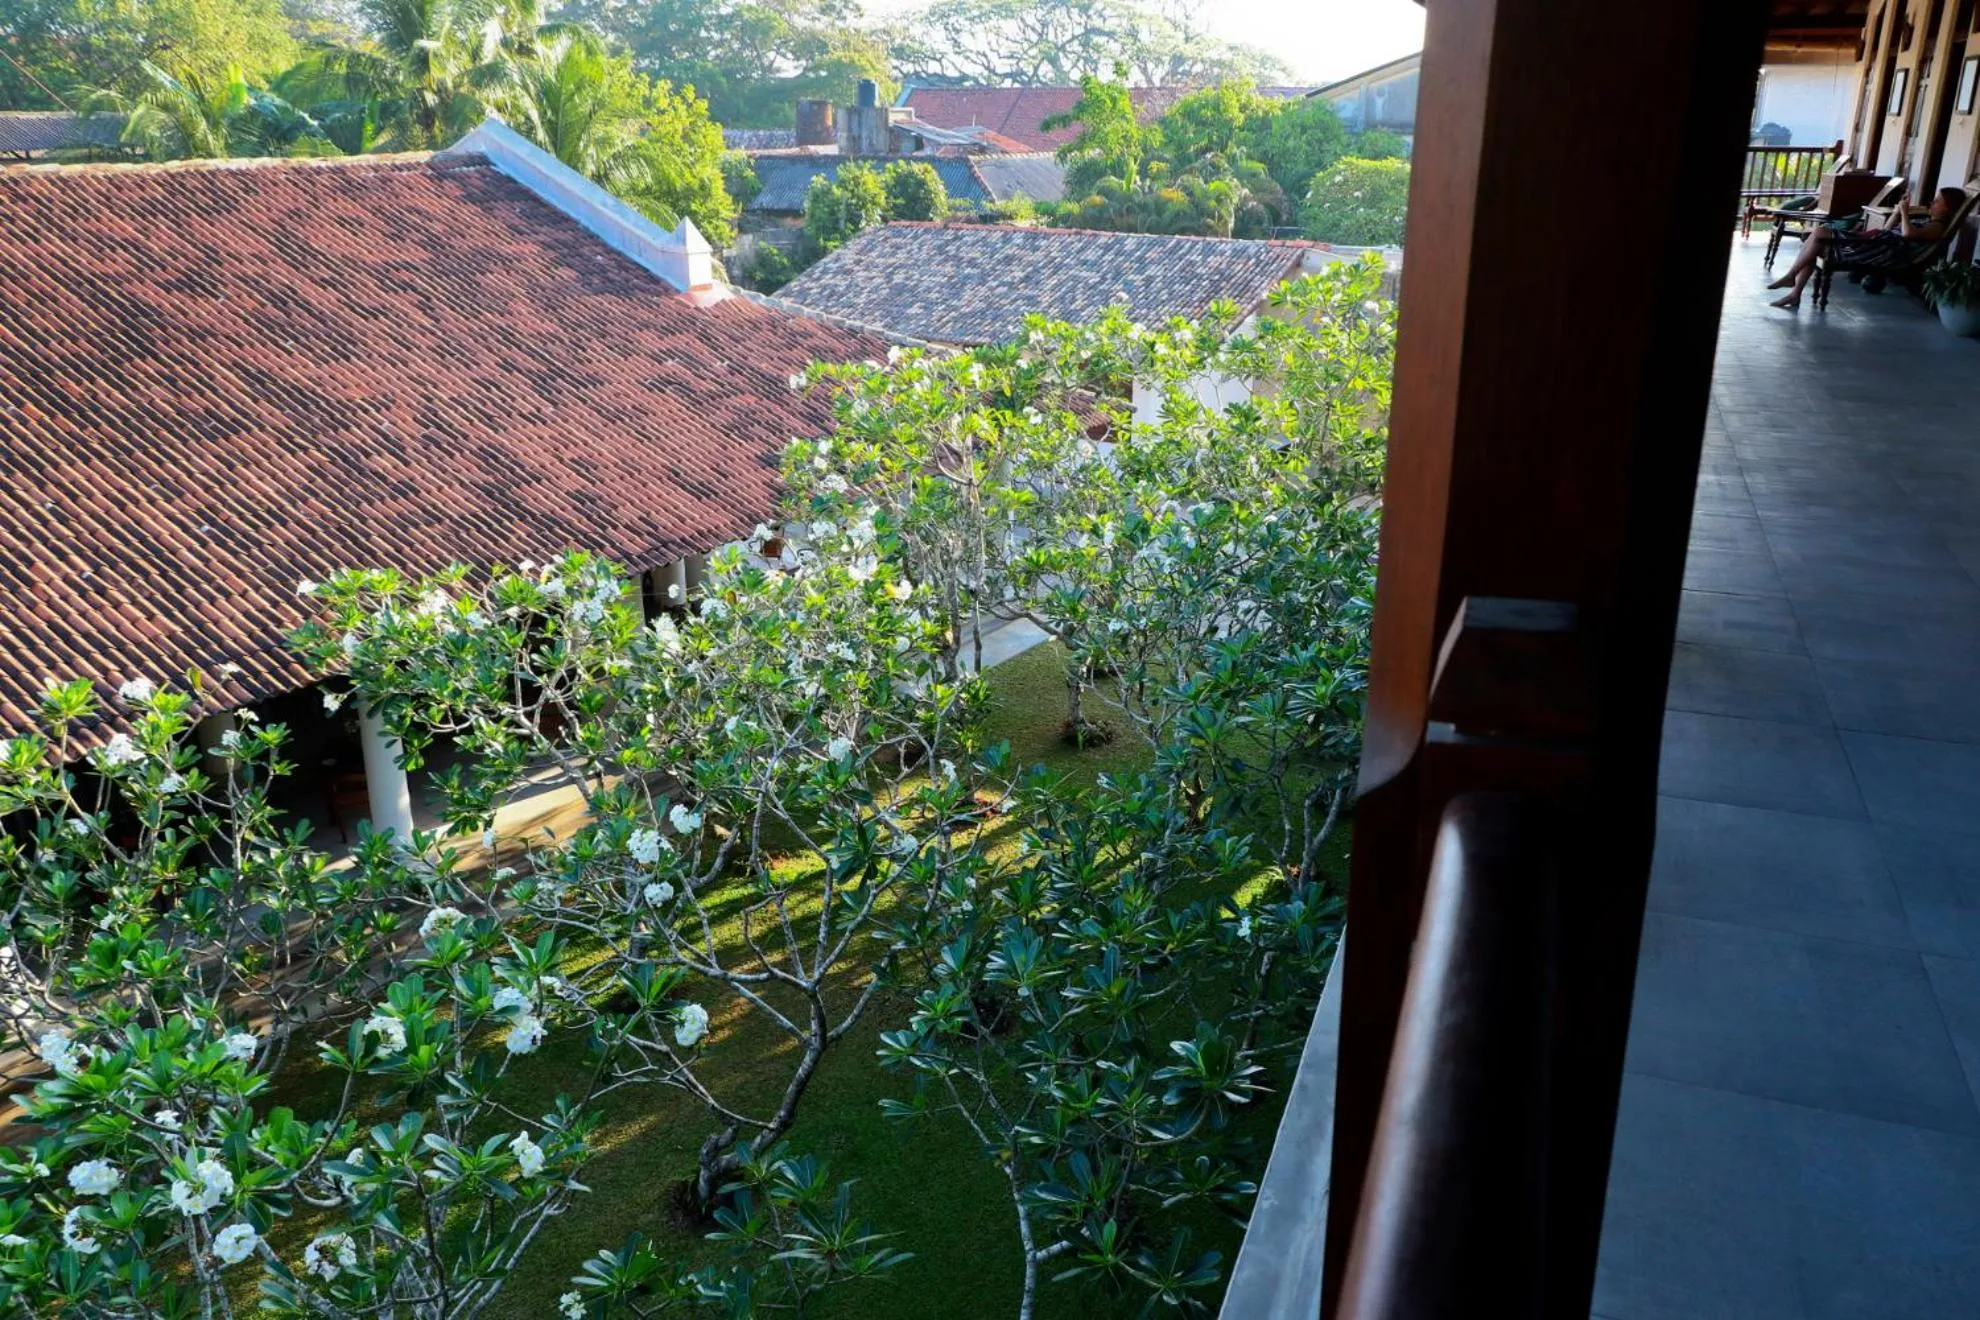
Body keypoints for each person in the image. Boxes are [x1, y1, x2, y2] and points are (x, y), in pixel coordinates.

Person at [1767, 186, 1964, 310]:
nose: (1933, 202)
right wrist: (1896, 214)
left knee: (1819, 234)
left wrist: (1904, 213)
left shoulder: (1936, 227)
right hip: (1877, 244)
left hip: (1881, 252)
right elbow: (1888, 230)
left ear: (1948, 208)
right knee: (1816, 241)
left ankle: (1792, 278)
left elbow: (1907, 235)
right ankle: (1794, 293)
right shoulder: (1925, 220)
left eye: (1938, 201)